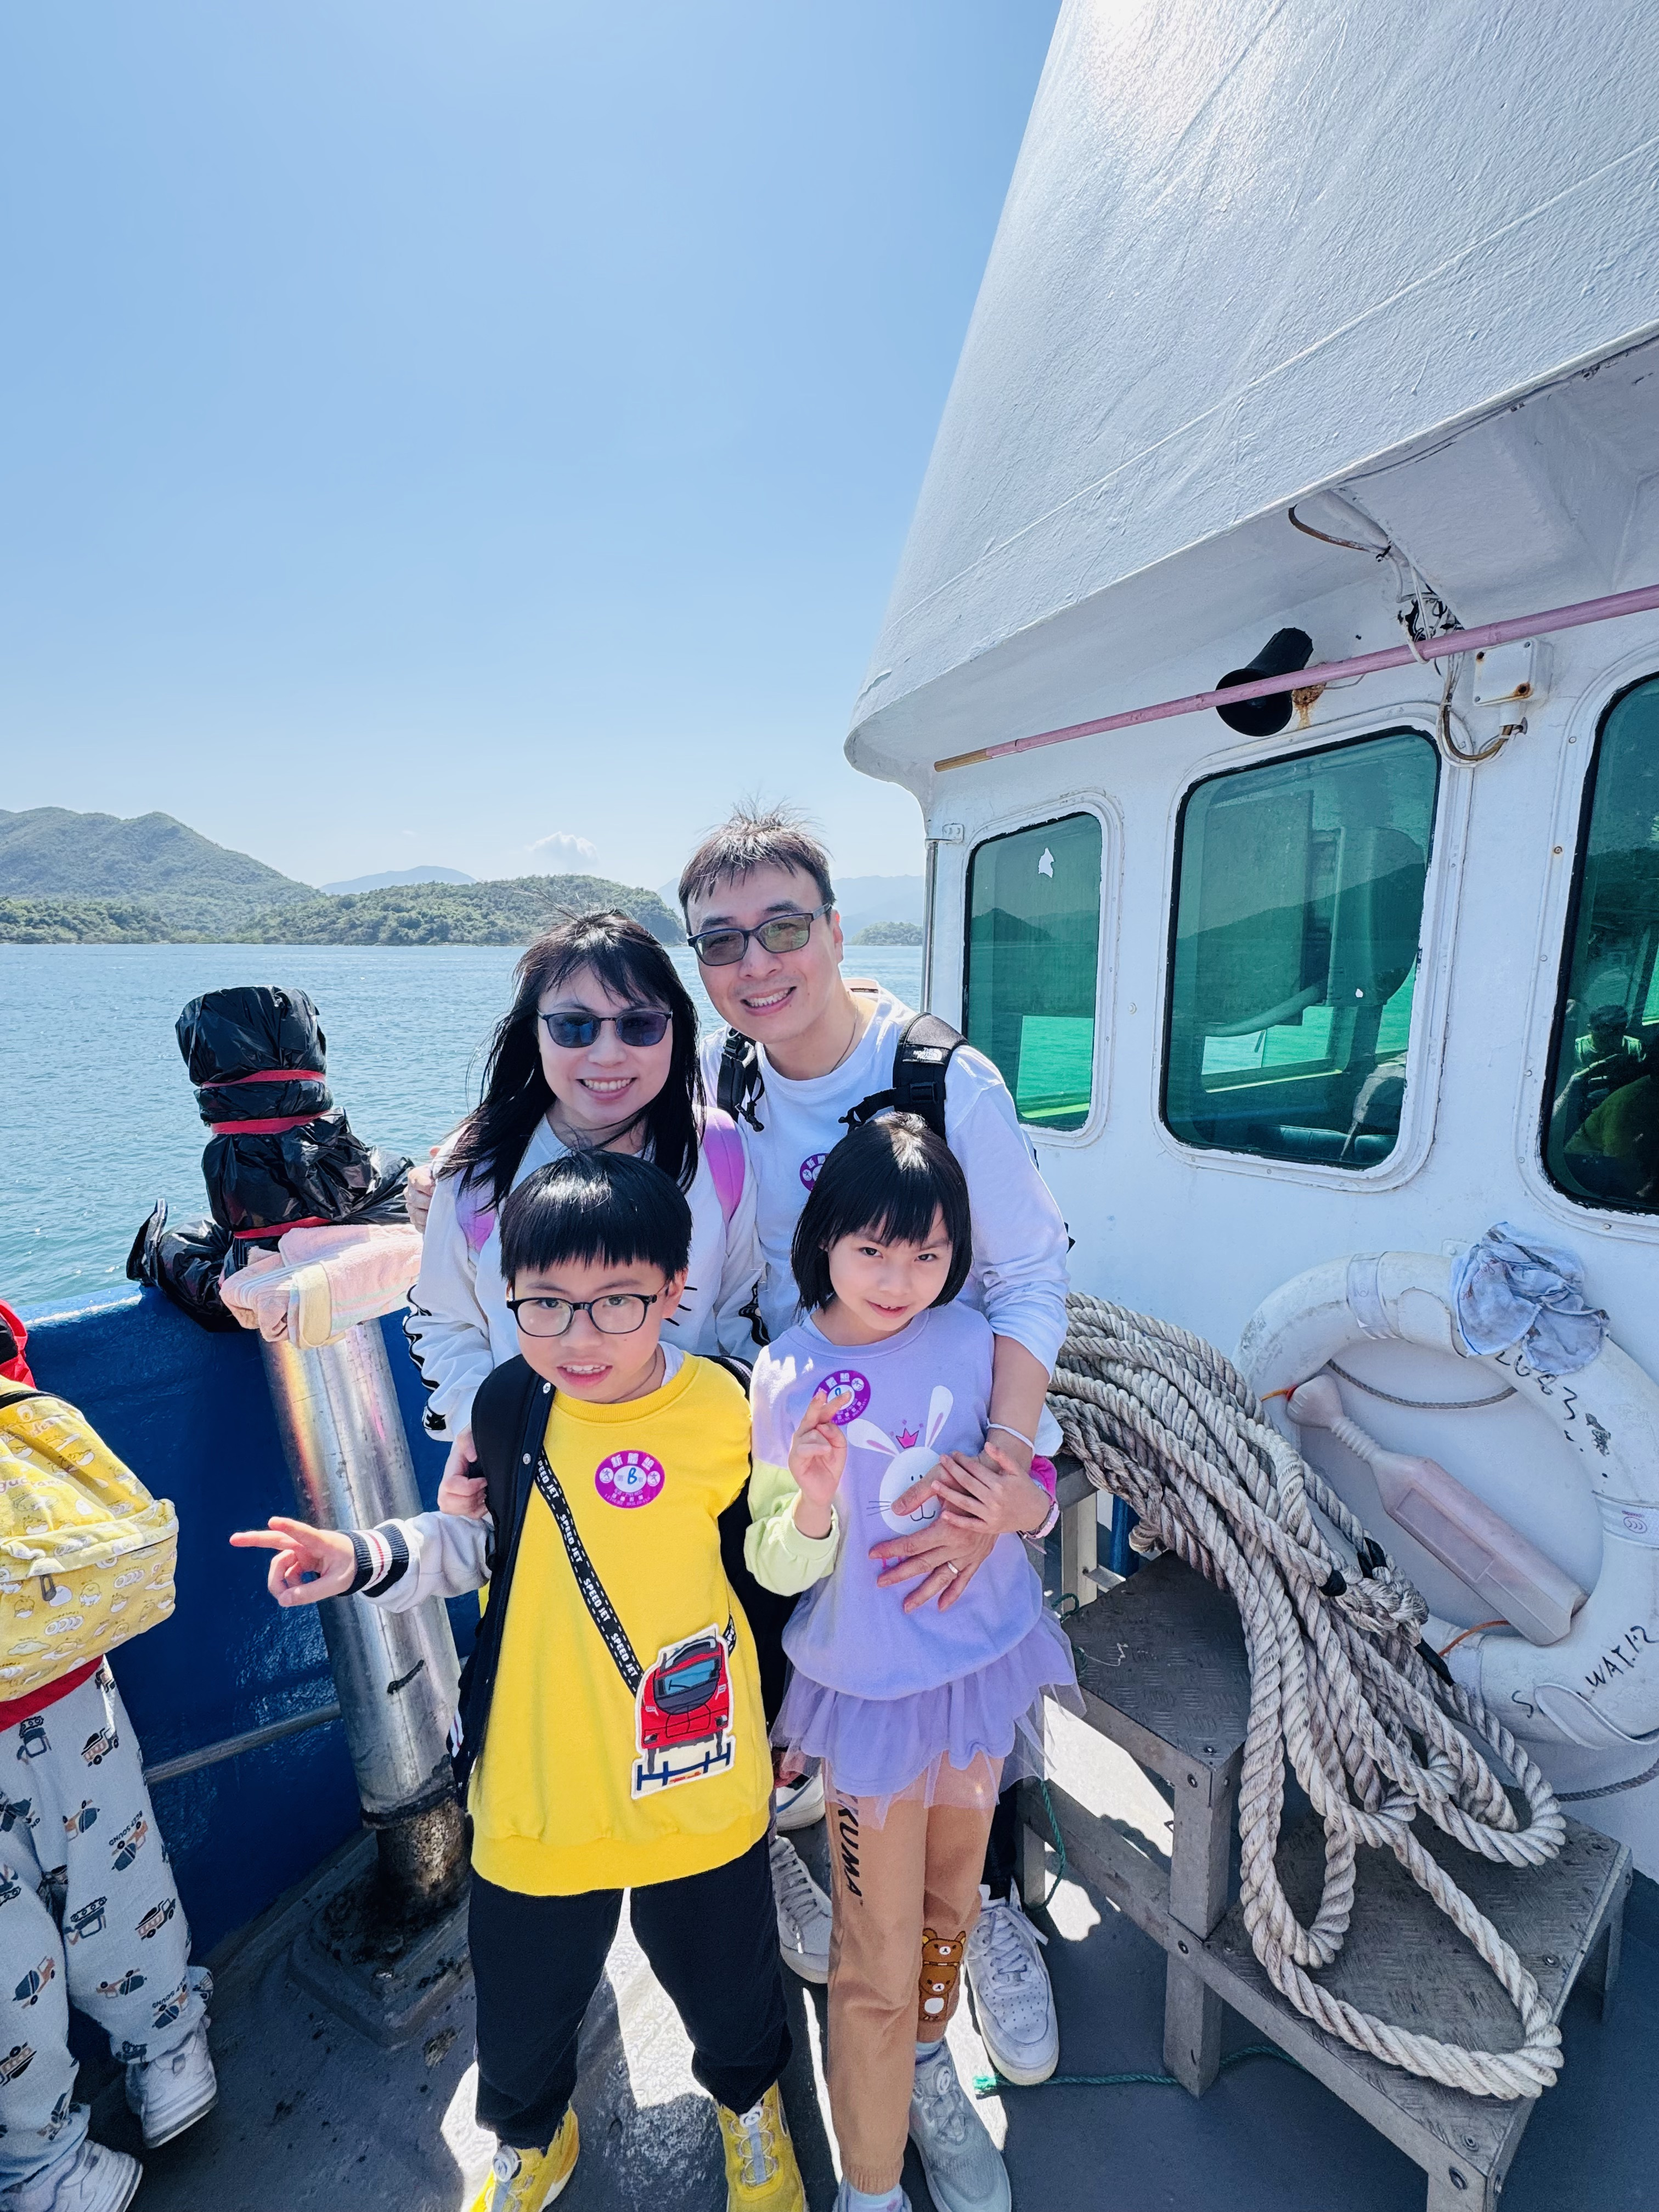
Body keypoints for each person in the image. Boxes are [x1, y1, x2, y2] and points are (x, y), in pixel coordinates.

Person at [233, 1153, 806, 2212]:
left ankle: (749, 2107)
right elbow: (468, 1548)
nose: (579, 1337)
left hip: (695, 1765)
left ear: (675, 1291)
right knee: (525, 1996)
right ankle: (534, 2136)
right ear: (508, 1298)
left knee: (727, 1974)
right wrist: (359, 1556)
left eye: (617, 1302)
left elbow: (777, 1569)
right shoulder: (507, 1407)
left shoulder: (729, 1407)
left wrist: (814, 1505)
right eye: (544, 1304)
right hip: (540, 1776)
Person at [679, 806, 1072, 2086]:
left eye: (784, 926)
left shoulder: (944, 1082)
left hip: (955, 1446)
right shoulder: (729, 1083)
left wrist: (1003, 1470)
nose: (757, 962)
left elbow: (1029, 1280)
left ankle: (989, 1910)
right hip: (818, 1444)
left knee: (975, 1690)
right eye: (722, 941)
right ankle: (821, 1873)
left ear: (837, 931)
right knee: (828, 1675)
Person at [402, 909, 835, 1985]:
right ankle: (577, 1881)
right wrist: (486, 1427)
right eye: (575, 1024)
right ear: (534, 1032)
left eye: (640, 1024)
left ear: (677, 1034)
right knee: (565, 1683)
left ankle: (751, 1833)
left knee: (726, 1654)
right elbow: (443, 1321)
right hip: (543, 1479)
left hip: (697, 1475)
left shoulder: (719, 1150)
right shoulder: (475, 1173)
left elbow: (742, 1302)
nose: (609, 1052)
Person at [747, 1116, 1078, 2212]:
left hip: (980, 1674)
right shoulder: (786, 1374)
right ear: (825, 1243)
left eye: (929, 1254)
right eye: (873, 1251)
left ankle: (927, 2060)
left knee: (949, 1907)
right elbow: (778, 1564)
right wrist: (810, 1500)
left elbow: (1035, 1491)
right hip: (873, 1702)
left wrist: (1027, 1508)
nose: (900, 1281)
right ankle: (873, 2178)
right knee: (876, 1948)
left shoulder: (974, 1341)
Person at [0, 1303, 217, 2212]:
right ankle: (168, 2052)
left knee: (7, 1962)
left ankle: (43, 2165)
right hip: (54, 1673)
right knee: (115, 1884)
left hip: (47, 1682)